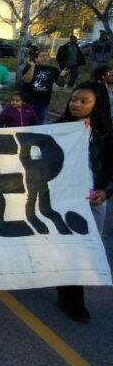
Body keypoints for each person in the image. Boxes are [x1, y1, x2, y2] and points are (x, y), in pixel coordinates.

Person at [53, 82, 113, 322]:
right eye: (73, 100)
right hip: (63, 197)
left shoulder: (106, 135)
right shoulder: (56, 129)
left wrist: (106, 192)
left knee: (85, 249)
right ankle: (72, 299)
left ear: (97, 106)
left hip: (92, 199)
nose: (76, 105)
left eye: (84, 101)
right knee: (71, 248)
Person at [21, 49, 70, 123]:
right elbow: (26, 80)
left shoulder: (53, 70)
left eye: (47, 56)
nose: (45, 58)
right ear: (35, 59)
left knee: (39, 123)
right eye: (42, 56)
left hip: (44, 103)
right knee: (25, 123)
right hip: (28, 102)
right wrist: (32, 67)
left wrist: (62, 76)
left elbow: (61, 84)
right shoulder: (29, 67)